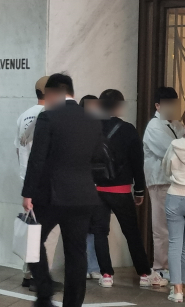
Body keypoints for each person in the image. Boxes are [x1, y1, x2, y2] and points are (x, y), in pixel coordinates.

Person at [22, 73, 103, 307]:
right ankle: (73, 304)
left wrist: (28, 193)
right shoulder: (92, 119)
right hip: (84, 195)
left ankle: (44, 290)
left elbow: (37, 159)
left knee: (32, 240)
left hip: (51, 195)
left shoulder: (49, 117)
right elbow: (98, 158)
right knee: (76, 254)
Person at [90, 89, 165, 288]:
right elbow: (137, 163)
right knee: (131, 232)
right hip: (121, 190)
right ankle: (144, 274)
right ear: (118, 106)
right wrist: (139, 191)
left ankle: (106, 274)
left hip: (96, 189)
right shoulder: (128, 130)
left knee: (99, 232)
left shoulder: (90, 128)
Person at [16, 77, 62, 289]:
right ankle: (41, 278)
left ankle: (28, 273)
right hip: (45, 184)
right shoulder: (53, 117)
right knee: (47, 237)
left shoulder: (24, 116)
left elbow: (19, 149)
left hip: (27, 180)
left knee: (32, 231)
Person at [144, 87, 185, 279]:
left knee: (176, 227)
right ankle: (160, 267)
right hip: (161, 182)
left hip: (179, 183)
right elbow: (171, 153)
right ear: (158, 106)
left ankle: (172, 266)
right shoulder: (154, 126)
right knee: (162, 227)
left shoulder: (178, 124)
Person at [162, 103, 185, 303]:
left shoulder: (175, 146)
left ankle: (177, 290)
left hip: (175, 195)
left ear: (184, 124)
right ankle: (183, 283)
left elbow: (166, 170)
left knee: (174, 243)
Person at [80, 94, 101, 280]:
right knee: (86, 228)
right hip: (85, 185)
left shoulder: (99, 129)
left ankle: (92, 266)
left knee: (93, 228)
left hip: (96, 186)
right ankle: (87, 266)